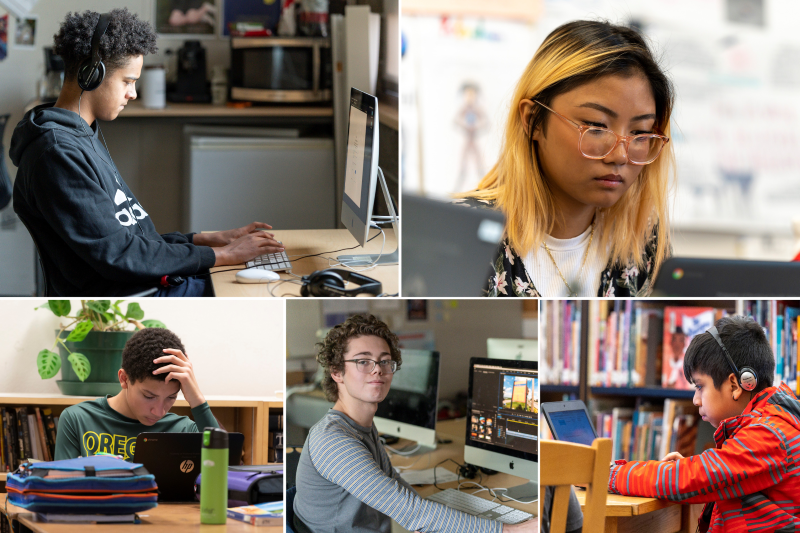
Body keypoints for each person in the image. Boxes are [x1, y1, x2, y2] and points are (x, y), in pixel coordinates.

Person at [10, 9, 283, 296]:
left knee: (269, 284)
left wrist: (207, 240)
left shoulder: (80, 134)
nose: (133, 94)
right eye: (127, 81)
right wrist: (224, 255)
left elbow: (132, 240)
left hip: (146, 283)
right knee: (265, 293)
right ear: (92, 74)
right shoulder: (57, 153)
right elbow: (122, 255)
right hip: (130, 301)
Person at [455, 20, 673, 297]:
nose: (620, 155)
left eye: (640, 133)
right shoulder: (460, 234)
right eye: (596, 126)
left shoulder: (644, 240)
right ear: (533, 120)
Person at [293, 314, 535, 533]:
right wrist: (510, 531)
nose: (378, 370)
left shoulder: (361, 426)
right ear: (336, 372)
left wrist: (429, 520)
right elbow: (412, 513)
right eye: (363, 361)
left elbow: (397, 490)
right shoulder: (334, 440)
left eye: (385, 361)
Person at [608, 316, 800, 532]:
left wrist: (611, 475)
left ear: (735, 385)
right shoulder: (771, 426)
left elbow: (693, 478)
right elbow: (711, 475)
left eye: (700, 386)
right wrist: (688, 469)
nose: (695, 400)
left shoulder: (770, 434)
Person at [54, 327, 218, 460]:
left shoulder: (182, 430)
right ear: (124, 379)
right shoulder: (77, 419)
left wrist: (196, 399)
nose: (159, 412)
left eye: (171, 397)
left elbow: (225, 471)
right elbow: (60, 488)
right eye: (149, 396)